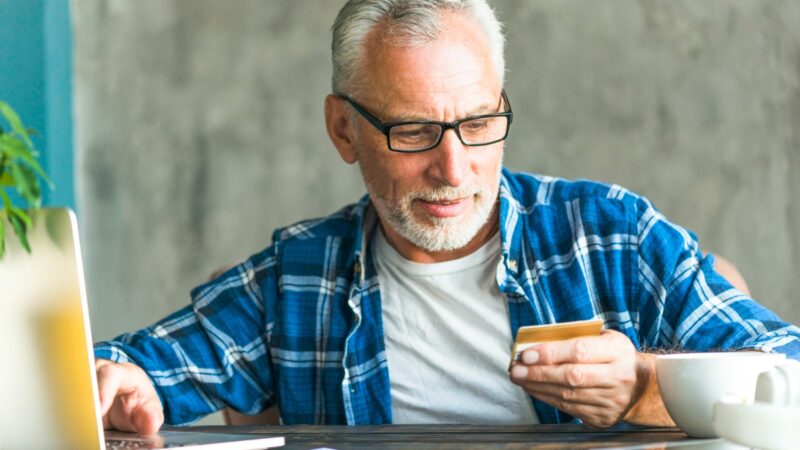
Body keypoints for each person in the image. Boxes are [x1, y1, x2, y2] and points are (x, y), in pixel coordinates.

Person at [93, 0, 800, 434]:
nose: (455, 169)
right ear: (344, 130)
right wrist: (120, 384)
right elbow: (130, 372)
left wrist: (645, 387)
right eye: (412, 132)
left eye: (479, 123)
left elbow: (788, 377)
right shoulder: (295, 281)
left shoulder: (613, 237)